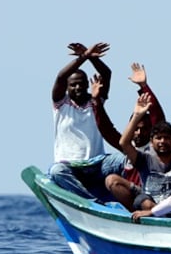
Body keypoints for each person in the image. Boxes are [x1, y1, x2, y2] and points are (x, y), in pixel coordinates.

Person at [48, 42, 127, 202]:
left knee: (128, 159)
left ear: (87, 85)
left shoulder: (95, 101)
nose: (78, 87)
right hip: (70, 166)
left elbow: (106, 73)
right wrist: (83, 57)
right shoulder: (61, 104)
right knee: (56, 171)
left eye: (82, 83)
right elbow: (61, 77)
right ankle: (91, 201)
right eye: (73, 84)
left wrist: (93, 58)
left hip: (98, 163)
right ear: (67, 88)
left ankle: (132, 197)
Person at [115, 92, 171, 214]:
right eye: (159, 138)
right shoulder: (144, 160)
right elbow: (124, 143)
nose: (163, 141)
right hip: (150, 210)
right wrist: (137, 115)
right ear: (151, 142)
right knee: (144, 201)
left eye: (167, 138)